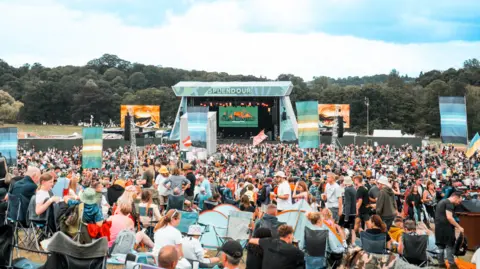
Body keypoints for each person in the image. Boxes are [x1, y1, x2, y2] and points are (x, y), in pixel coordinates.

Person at [435, 191, 464, 269]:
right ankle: (452, 265)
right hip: (447, 228)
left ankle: (441, 264)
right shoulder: (449, 203)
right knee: (449, 246)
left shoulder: (441, 201)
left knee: (440, 246)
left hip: (438, 227)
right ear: (455, 197)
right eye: (459, 201)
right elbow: (449, 217)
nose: (458, 203)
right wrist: (459, 227)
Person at [339, 176, 356, 244]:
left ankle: (344, 242)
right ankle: (353, 243)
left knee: (340, 226)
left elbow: (347, 203)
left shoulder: (347, 190)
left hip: (347, 212)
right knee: (352, 229)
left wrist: (346, 216)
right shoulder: (354, 189)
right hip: (353, 212)